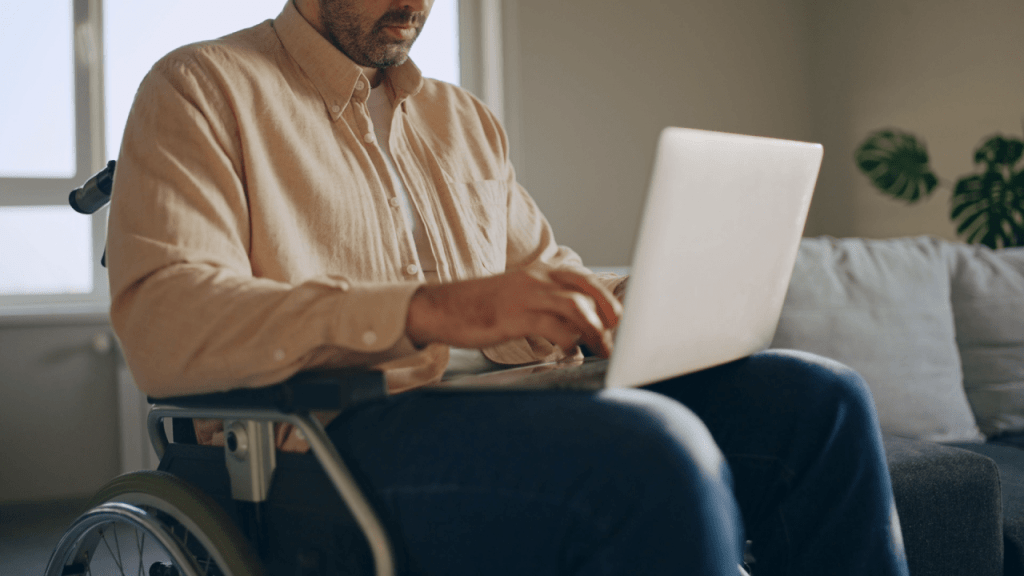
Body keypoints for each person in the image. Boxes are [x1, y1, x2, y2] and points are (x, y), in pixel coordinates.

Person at [106, 0, 911, 574]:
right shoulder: (200, 87)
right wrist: (431, 310)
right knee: (646, 453)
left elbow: (539, 278)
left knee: (821, 400)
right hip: (328, 438)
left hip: (509, 401)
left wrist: (636, 297)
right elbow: (169, 319)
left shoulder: (463, 120)